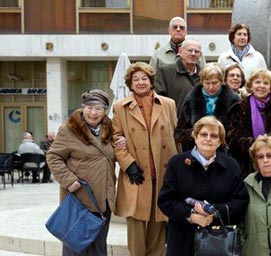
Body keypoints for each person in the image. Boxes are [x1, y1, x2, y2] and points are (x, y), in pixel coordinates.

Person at [112, 62, 178, 256]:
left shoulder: (168, 104)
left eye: (144, 78)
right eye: (136, 79)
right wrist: (128, 164)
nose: (140, 82)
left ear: (151, 81)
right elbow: (116, 139)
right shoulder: (120, 107)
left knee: (159, 219)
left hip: (163, 170)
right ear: (130, 84)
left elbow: (176, 135)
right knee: (137, 222)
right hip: (136, 172)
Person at [158, 116, 249, 256]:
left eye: (214, 136)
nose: (208, 139)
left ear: (220, 142)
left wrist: (214, 213)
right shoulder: (177, 163)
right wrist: (190, 215)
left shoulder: (231, 166)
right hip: (182, 240)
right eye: (203, 134)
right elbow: (165, 200)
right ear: (195, 136)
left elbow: (240, 203)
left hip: (218, 242)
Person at [46, 89, 116, 255]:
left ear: (105, 110)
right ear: (83, 108)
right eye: (89, 107)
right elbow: (53, 156)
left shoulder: (110, 128)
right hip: (79, 199)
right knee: (75, 246)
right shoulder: (69, 129)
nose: (93, 112)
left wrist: (122, 142)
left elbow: (113, 155)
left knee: (98, 247)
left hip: (103, 199)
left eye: (98, 108)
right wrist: (68, 180)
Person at [228, 68, 271, 177]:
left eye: (266, 83)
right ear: (251, 85)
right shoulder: (238, 109)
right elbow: (232, 139)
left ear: (270, 87)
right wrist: (254, 143)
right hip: (246, 166)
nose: (261, 86)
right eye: (257, 82)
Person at [175, 63, 240, 152]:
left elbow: (238, 132)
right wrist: (195, 133)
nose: (211, 87)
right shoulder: (191, 100)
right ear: (202, 82)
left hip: (223, 151)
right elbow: (179, 133)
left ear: (221, 81)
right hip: (196, 150)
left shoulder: (233, 101)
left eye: (215, 83)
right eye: (207, 83)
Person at [155, 38, 204, 113]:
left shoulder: (204, 75)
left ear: (200, 55)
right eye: (190, 50)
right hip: (174, 122)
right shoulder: (165, 72)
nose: (193, 54)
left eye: (196, 51)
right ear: (180, 51)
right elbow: (158, 100)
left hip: (199, 123)